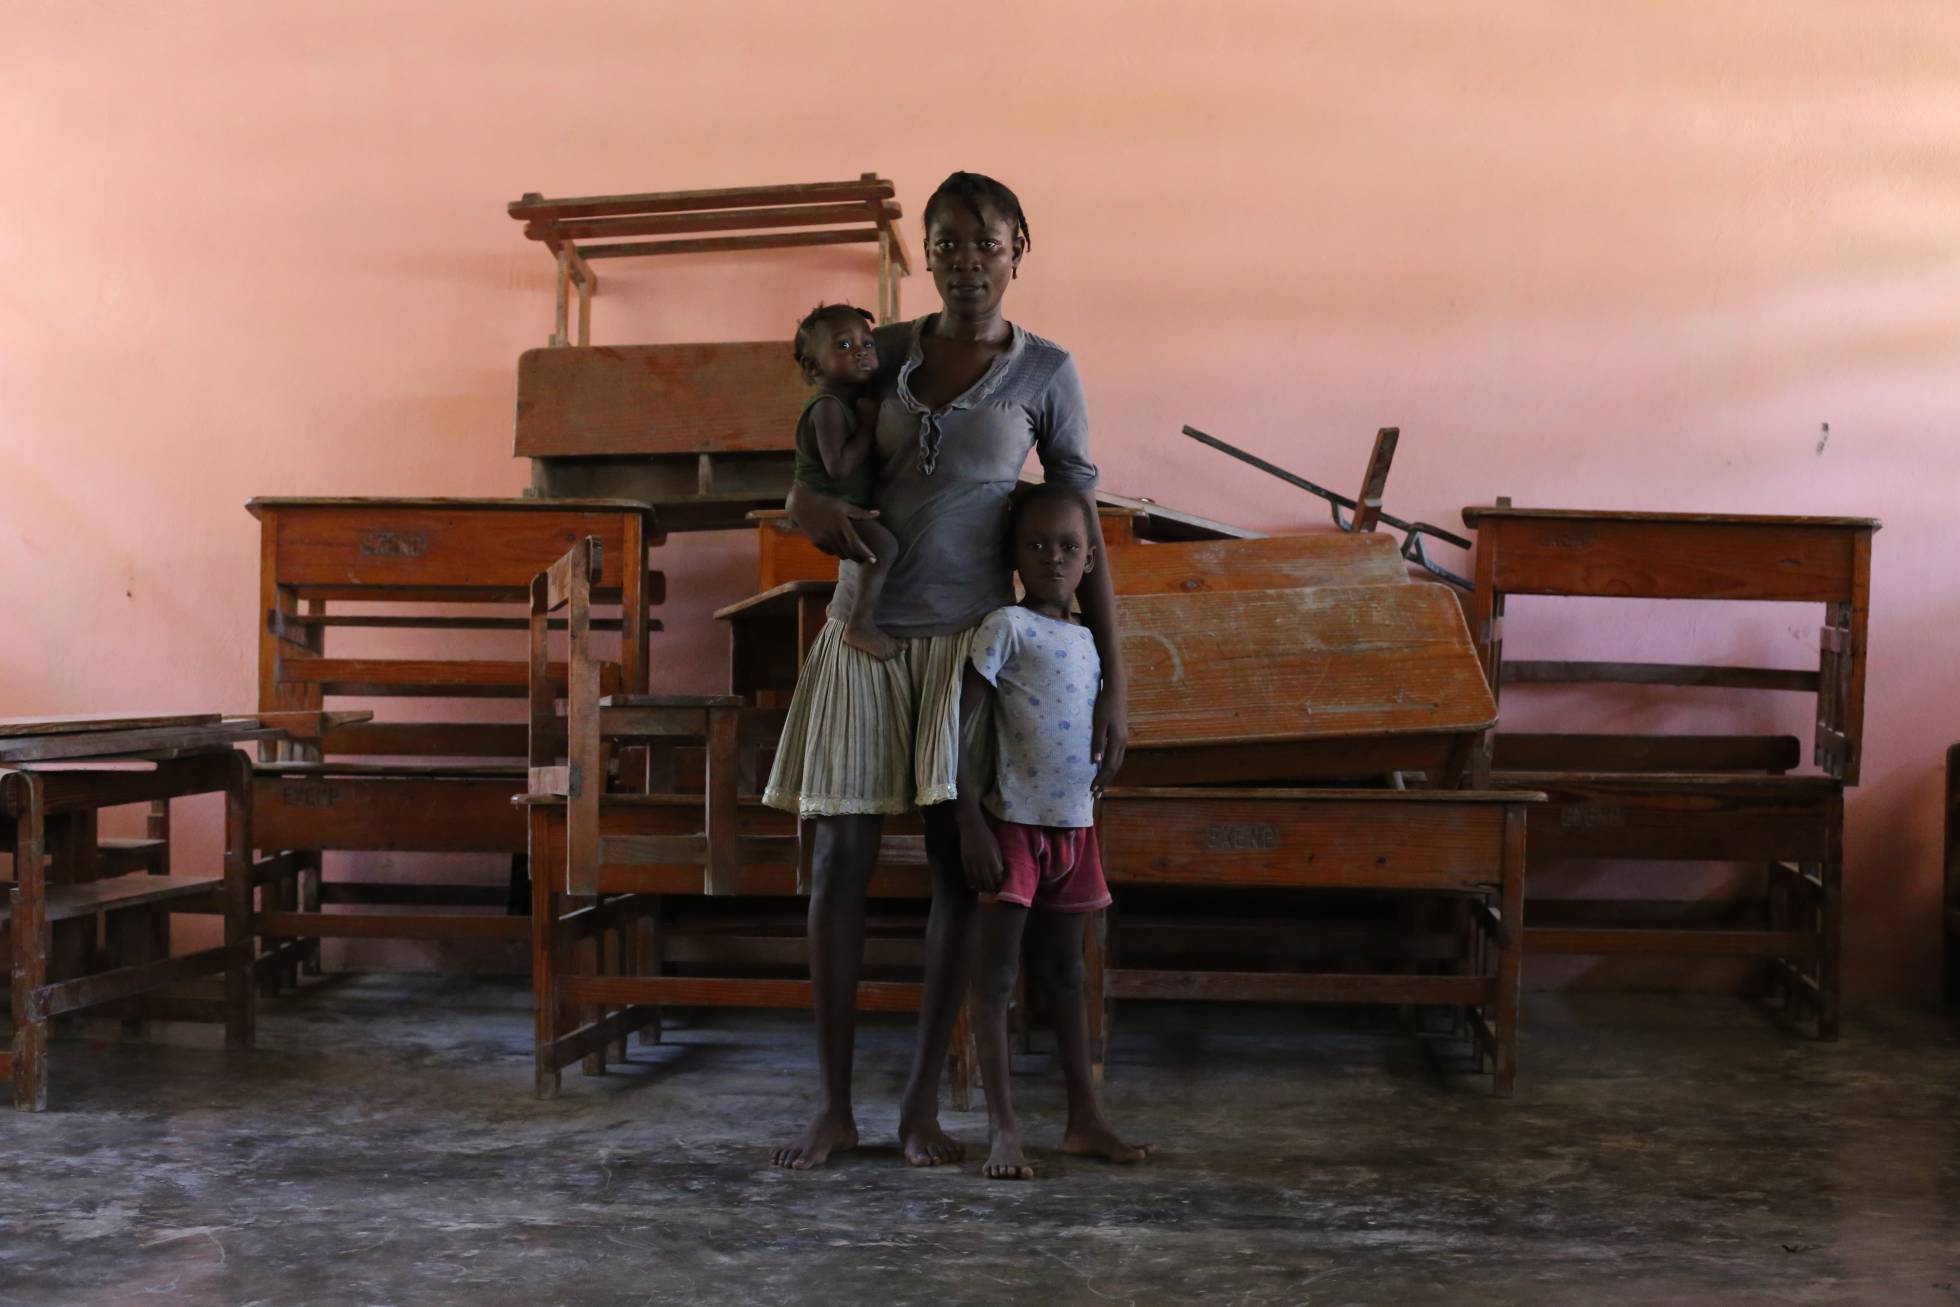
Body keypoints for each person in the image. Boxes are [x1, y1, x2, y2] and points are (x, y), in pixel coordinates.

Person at [765, 171, 1130, 1170]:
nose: (969, 261)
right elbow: (805, 474)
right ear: (922, 255)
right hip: (861, 635)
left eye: (989, 242)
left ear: (1021, 250)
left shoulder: (1046, 372)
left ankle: (919, 1108)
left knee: (956, 878)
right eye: (949, 243)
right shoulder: (876, 353)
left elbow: (1078, 529)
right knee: (837, 863)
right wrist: (807, 513)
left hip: (970, 651)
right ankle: (833, 1107)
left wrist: (1113, 685)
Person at [957, 482, 1153, 1180]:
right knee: (997, 975)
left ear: (1090, 558)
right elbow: (964, 726)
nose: (1051, 556)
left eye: (1068, 546)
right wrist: (969, 818)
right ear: (1013, 553)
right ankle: (1003, 1129)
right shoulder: (1004, 625)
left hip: (1075, 830)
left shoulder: (1086, 641)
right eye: (1036, 544)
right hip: (1011, 828)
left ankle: (1084, 1119)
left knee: (1067, 975)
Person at [789, 303, 903, 660]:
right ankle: (860, 625)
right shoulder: (828, 407)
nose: (860, 352)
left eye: (867, 344)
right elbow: (838, 466)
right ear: (813, 366)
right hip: (831, 501)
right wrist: (869, 426)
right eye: (843, 346)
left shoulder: (849, 402)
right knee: (883, 549)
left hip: (848, 501)